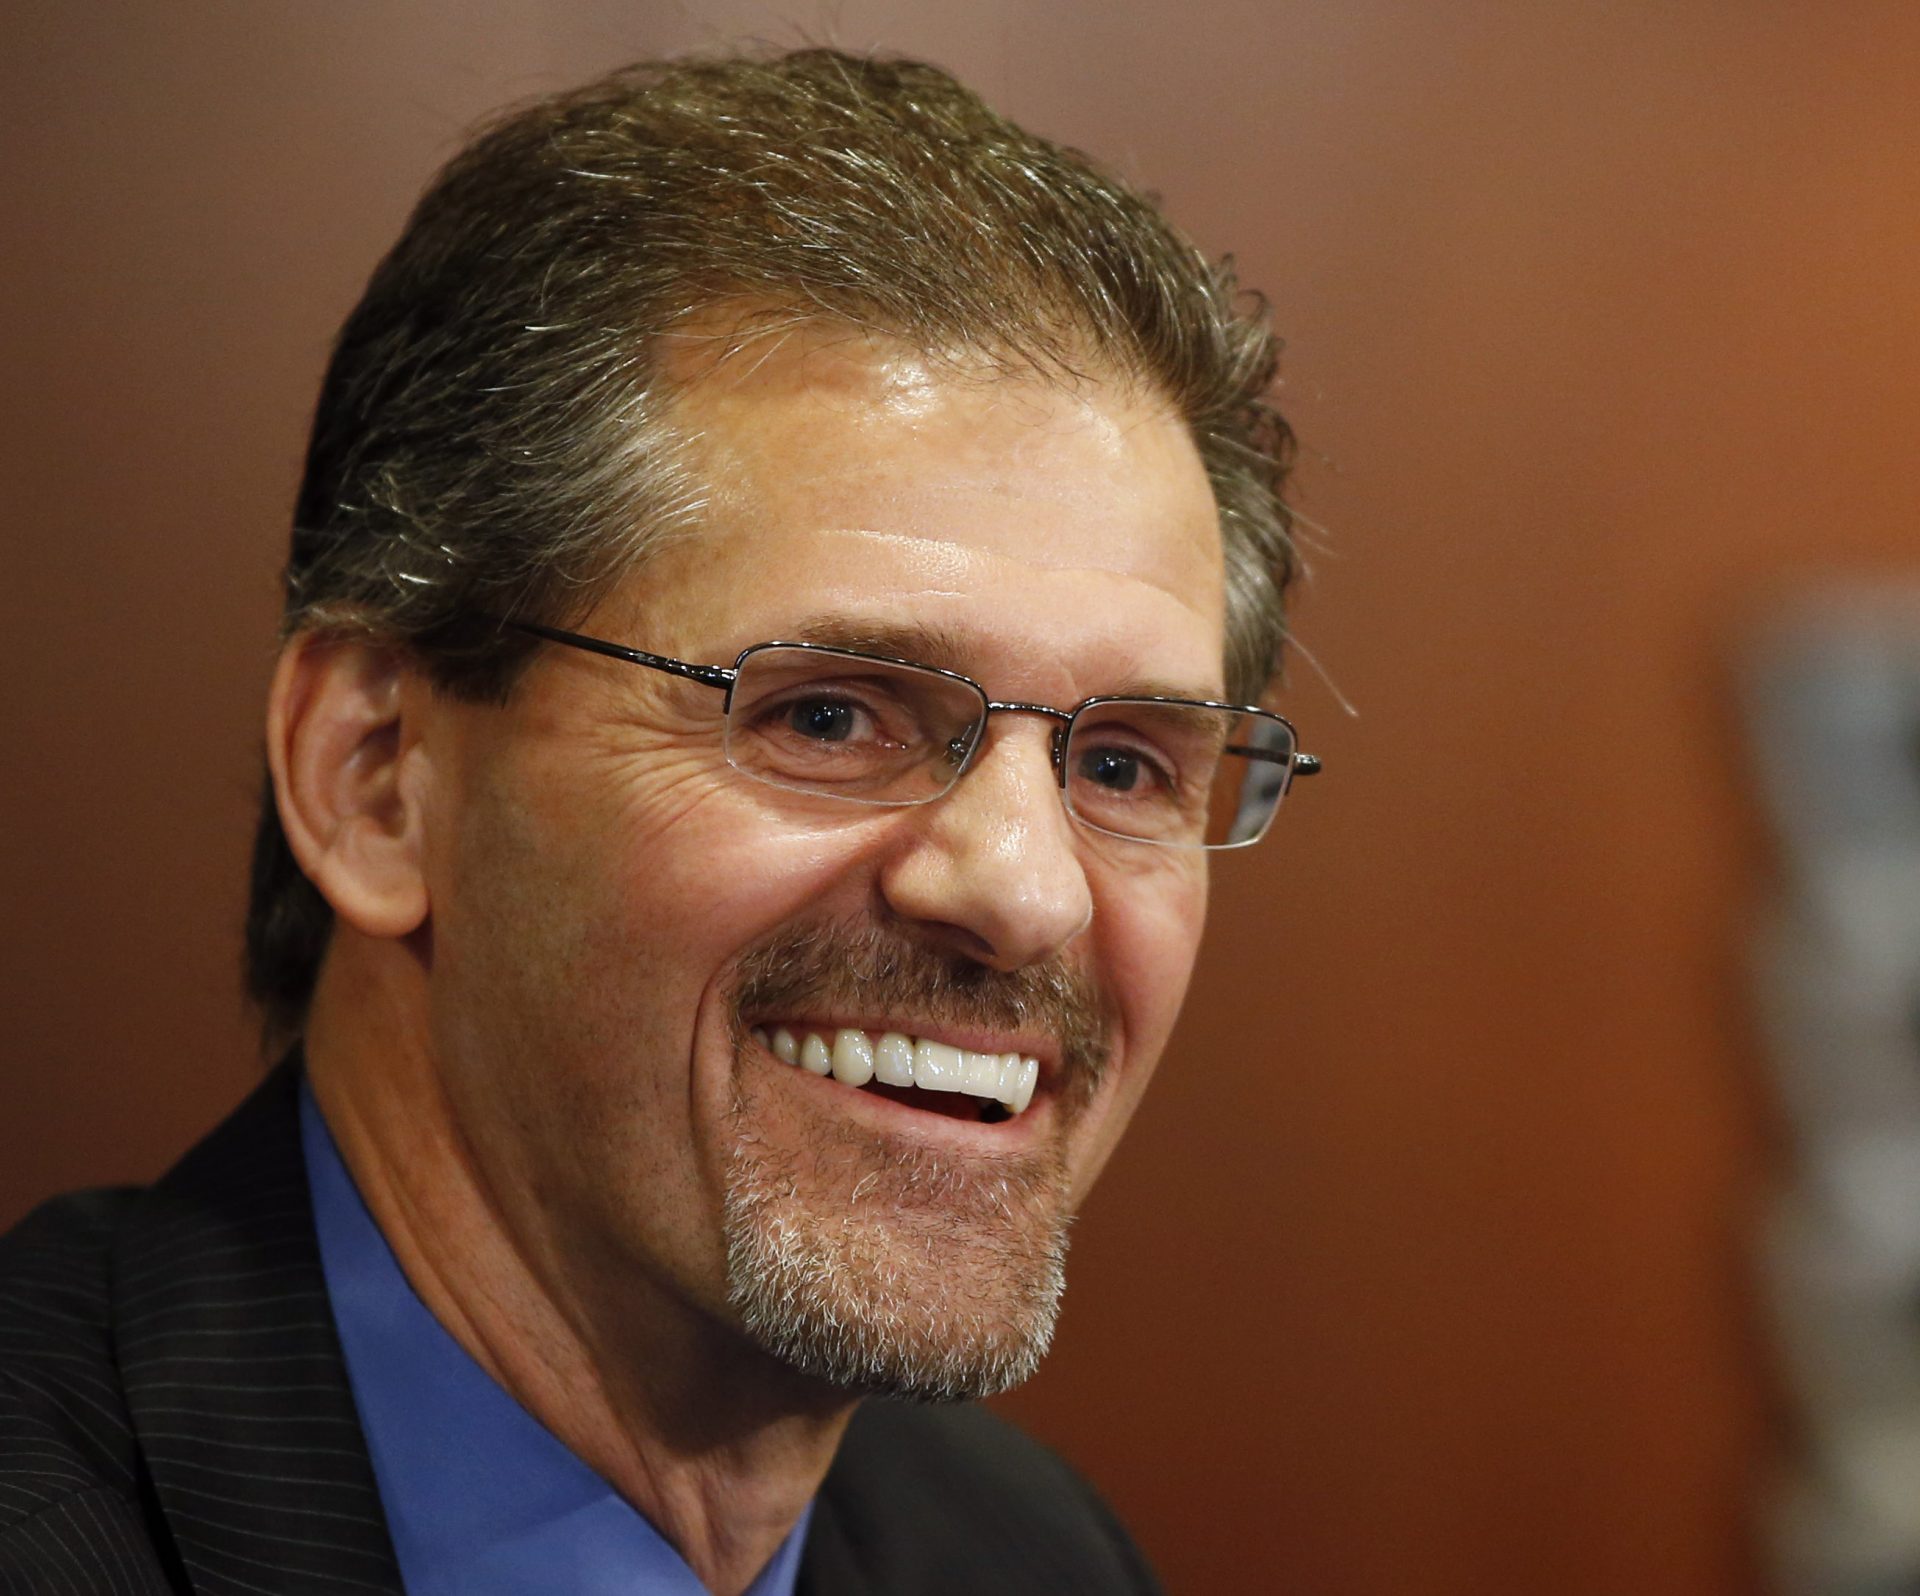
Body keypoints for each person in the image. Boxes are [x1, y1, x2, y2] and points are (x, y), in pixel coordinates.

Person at [0, 48, 1316, 1595]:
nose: (1027, 893)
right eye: (828, 715)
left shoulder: (1031, 1557)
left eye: (1123, 767)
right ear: (375, 778)